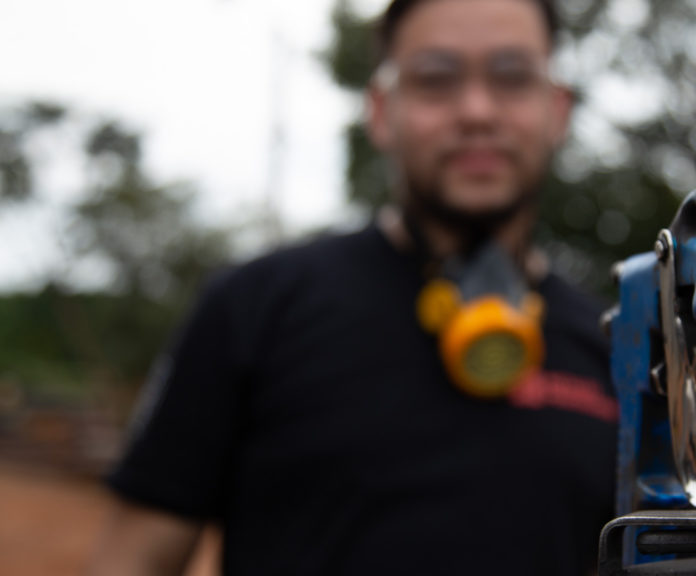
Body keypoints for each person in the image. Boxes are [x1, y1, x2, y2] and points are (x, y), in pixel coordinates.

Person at [87, 0, 618, 574]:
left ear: (557, 110)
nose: (476, 110)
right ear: (381, 112)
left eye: (512, 78)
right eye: (435, 79)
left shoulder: (621, 352)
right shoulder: (252, 308)